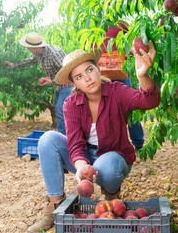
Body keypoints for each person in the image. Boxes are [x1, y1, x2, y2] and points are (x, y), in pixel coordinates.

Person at [27, 41, 160, 232]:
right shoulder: (71, 103)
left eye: (89, 70)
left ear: (97, 69)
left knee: (106, 166)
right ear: (74, 83)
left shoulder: (116, 91)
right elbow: (74, 144)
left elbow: (150, 101)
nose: (87, 78)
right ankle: (54, 210)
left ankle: (112, 196)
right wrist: (81, 167)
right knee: (48, 140)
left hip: (114, 157)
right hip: (86, 157)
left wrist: (142, 76)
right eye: (79, 76)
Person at [4, 32, 73, 135]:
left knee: (61, 110)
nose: (27, 49)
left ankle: (65, 138)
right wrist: (14, 65)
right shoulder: (38, 55)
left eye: (28, 47)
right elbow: (29, 61)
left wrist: (52, 81)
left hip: (67, 85)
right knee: (62, 111)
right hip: (58, 86)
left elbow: (68, 72)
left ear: (35, 47)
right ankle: (64, 136)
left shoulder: (54, 54)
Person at [99, 22, 145, 151]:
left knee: (129, 106)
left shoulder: (119, 23)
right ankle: (116, 145)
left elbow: (134, 38)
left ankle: (138, 143)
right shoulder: (96, 24)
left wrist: (129, 52)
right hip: (103, 73)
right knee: (108, 110)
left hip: (119, 69)